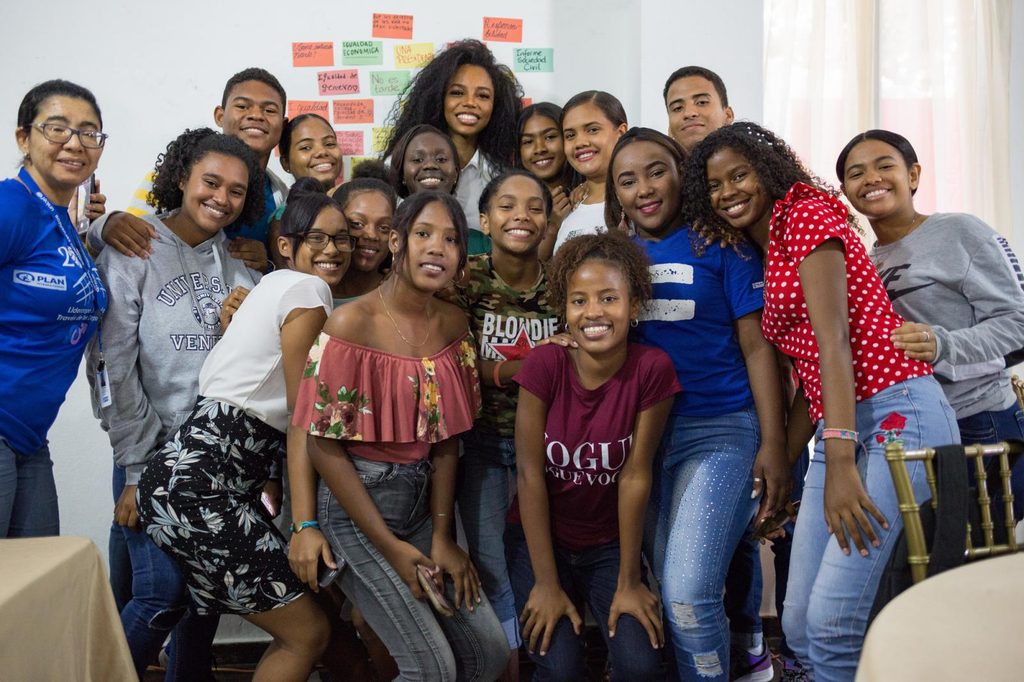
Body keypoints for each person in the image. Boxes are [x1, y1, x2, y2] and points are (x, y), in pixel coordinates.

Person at [685, 122, 960, 681]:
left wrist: (836, 460)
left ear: (770, 171)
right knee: (803, 626)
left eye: (740, 175)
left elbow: (833, 341)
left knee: (834, 624)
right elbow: (812, 369)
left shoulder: (806, 211)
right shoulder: (761, 247)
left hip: (896, 411)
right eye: (715, 185)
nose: (729, 191)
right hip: (842, 419)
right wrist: (783, 465)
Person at [137, 182, 355, 681]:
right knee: (307, 632)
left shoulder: (269, 288)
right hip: (203, 486)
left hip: (191, 474)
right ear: (286, 243)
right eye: (317, 238)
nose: (332, 251)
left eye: (342, 239)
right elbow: (306, 416)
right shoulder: (308, 290)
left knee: (287, 617)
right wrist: (304, 526)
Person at [293, 191, 509, 680]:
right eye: (423, 234)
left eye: (451, 239)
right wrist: (391, 549)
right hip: (357, 507)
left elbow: (448, 441)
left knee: (488, 656)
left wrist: (442, 537)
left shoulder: (454, 324)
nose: (437, 248)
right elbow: (322, 445)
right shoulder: (352, 323)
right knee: (430, 669)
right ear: (396, 242)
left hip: (422, 505)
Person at [606, 127, 788, 681]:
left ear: (682, 171)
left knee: (687, 591)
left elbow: (758, 346)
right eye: (627, 180)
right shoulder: (613, 255)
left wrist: (775, 441)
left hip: (721, 431)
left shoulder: (722, 245)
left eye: (656, 170)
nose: (644, 189)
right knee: (671, 583)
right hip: (642, 443)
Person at [89, 127, 263, 677]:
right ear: (182, 179)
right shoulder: (134, 248)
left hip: (213, 469)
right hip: (150, 458)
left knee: (201, 604)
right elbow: (111, 366)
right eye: (211, 182)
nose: (222, 198)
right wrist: (138, 469)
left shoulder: (242, 269)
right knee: (161, 594)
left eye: (236, 191)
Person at [508, 231, 679, 681]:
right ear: (564, 310)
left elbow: (635, 476)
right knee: (560, 666)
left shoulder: (651, 369)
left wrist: (629, 581)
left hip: (608, 546)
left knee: (641, 665)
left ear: (634, 306)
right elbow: (529, 474)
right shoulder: (545, 365)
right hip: (541, 541)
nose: (593, 313)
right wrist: (546, 582)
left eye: (608, 298)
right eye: (579, 301)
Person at [838, 129, 1024, 513]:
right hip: (910, 427)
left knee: (968, 565)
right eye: (856, 173)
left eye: (884, 165)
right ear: (845, 191)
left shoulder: (960, 232)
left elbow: (1018, 324)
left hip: (979, 422)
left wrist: (944, 344)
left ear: (913, 175)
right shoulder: (863, 262)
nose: (871, 178)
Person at [439, 169, 563, 679]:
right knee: (489, 566)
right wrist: (514, 370)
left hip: (552, 450)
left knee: (537, 560)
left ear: (549, 221)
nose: (522, 216)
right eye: (507, 206)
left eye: (534, 207)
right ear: (485, 221)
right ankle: (506, 666)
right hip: (484, 445)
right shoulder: (465, 277)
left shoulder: (563, 283)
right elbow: (450, 360)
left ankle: (546, 659)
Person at [1, 79, 108, 537]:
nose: (75, 143)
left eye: (89, 132)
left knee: (38, 590)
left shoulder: (60, 221)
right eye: (57, 128)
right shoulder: (12, 206)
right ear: (24, 138)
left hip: (28, 437)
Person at [88, 67, 289, 272]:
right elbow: (129, 247)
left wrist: (267, 263)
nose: (256, 115)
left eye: (269, 110)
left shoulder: (281, 196)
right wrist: (103, 225)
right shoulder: (164, 180)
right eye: (242, 106)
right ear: (220, 115)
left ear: (282, 125)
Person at [382, 39, 523, 244]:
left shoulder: (500, 177)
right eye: (457, 93)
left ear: (496, 106)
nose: (470, 103)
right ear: (438, 98)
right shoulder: (399, 166)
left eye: (483, 96)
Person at [551, 91, 628, 255]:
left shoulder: (637, 201)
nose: (580, 142)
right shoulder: (568, 206)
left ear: (621, 133)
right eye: (570, 135)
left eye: (592, 130)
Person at [267, 113, 343, 268]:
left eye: (329, 144)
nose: (322, 152)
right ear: (285, 163)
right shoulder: (282, 221)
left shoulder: (353, 205)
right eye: (306, 147)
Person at [515, 102, 578, 260]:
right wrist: (552, 225)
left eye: (550, 137)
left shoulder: (587, 194)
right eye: (528, 141)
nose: (540, 148)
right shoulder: (512, 207)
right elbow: (524, 272)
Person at [330, 178, 397, 303]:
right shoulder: (311, 292)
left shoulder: (400, 293)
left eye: (384, 227)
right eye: (357, 224)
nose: (371, 235)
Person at [663, 66, 735, 154]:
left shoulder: (751, 164)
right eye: (677, 108)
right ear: (670, 128)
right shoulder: (660, 165)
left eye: (702, 102)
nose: (689, 113)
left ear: (728, 115)